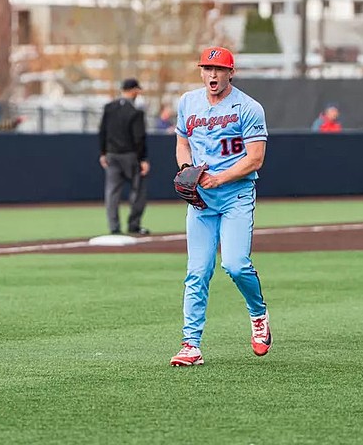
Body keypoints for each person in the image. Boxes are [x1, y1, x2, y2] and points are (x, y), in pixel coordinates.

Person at [170, 46, 271, 367]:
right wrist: (186, 169)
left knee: (236, 264)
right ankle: (191, 344)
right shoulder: (188, 102)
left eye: (219, 69)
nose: (212, 75)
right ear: (201, 71)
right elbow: (183, 140)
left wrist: (220, 178)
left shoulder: (248, 107)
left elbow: (256, 158)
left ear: (231, 72)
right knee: (197, 272)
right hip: (202, 200)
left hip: (236, 195)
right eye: (207, 69)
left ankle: (258, 315)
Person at [98, 78, 150, 235]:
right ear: (133, 90)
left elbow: (102, 132)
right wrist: (143, 159)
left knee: (112, 192)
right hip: (130, 155)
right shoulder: (135, 112)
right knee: (138, 191)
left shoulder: (109, 107)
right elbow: (139, 137)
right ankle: (133, 224)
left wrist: (103, 152)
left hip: (112, 155)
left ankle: (114, 227)